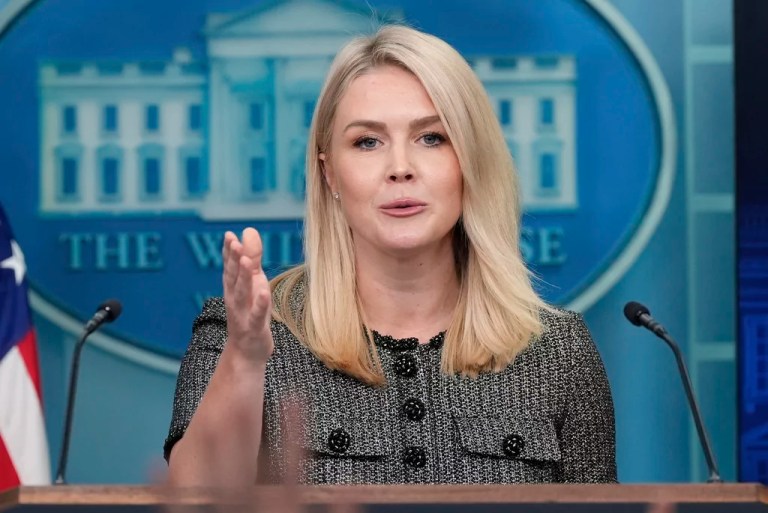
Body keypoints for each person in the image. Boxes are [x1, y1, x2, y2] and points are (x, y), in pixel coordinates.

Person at [164, 24, 617, 486]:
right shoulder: (239, 334)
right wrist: (244, 360)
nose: (400, 168)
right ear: (330, 174)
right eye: (367, 142)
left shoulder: (559, 350)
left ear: (471, 162)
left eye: (432, 138)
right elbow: (192, 500)